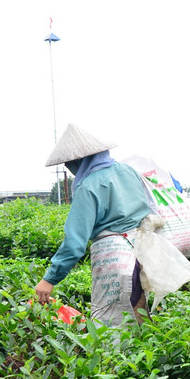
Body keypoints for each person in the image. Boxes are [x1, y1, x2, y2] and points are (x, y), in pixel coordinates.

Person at [35, 124, 153, 327]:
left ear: (79, 160)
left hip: (113, 260)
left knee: (108, 327)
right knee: (137, 319)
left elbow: (75, 242)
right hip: (142, 254)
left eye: (69, 163)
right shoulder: (128, 171)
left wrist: (50, 279)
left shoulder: (88, 185)